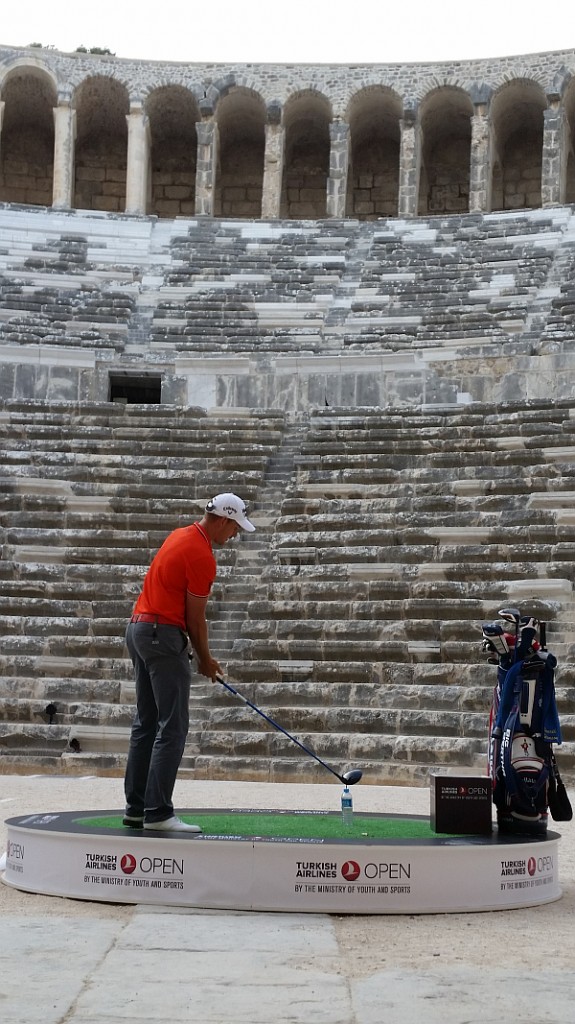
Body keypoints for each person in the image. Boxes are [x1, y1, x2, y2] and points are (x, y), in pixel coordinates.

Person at [123, 492, 255, 832]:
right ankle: (158, 813)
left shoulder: (179, 534)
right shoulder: (201, 554)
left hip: (139, 629)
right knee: (174, 725)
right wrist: (206, 660)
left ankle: (137, 809)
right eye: (235, 527)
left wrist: (196, 654)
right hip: (161, 635)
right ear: (223, 520)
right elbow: (196, 619)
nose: (235, 534)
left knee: (147, 722)